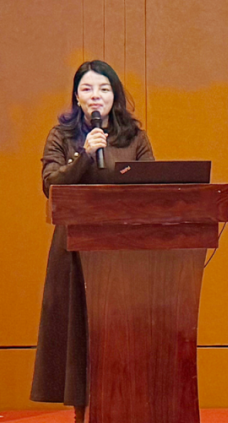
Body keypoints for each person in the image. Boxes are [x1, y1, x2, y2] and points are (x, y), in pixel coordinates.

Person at [31, 60, 154, 423]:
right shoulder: (61, 136)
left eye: (103, 88)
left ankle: (125, 408)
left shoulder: (135, 137)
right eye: (87, 89)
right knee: (79, 333)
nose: (95, 96)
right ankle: (80, 413)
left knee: (121, 331)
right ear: (77, 96)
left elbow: (152, 185)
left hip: (124, 249)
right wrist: (84, 154)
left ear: (114, 95)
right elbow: (51, 184)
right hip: (74, 249)